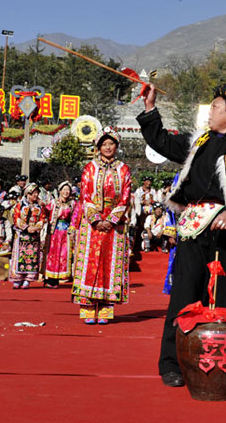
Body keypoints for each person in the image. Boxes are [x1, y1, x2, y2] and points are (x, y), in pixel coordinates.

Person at [137, 82, 226, 388]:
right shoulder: (200, 142)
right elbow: (163, 144)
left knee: (225, 297)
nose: (210, 112)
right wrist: (150, 108)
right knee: (184, 293)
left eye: (216, 107)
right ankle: (173, 363)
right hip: (194, 229)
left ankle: (223, 363)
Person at [72, 127, 132, 323]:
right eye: (104, 144)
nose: (108, 147)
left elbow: (125, 197)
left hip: (114, 225)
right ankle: (88, 308)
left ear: (116, 146)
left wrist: (111, 220)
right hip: (93, 224)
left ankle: (106, 308)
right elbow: (85, 196)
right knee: (90, 262)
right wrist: (97, 219)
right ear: (98, 147)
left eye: (111, 144)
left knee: (110, 264)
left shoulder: (123, 169)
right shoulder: (90, 167)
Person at [10, 183, 48, 289]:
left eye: (37, 193)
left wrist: (36, 227)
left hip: (34, 235)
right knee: (19, 256)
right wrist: (26, 227)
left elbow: (43, 218)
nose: (36, 195)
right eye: (34, 193)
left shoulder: (40, 206)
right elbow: (16, 217)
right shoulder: (20, 205)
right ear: (28, 194)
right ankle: (17, 279)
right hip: (22, 233)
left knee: (32, 257)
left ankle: (28, 279)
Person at [44, 181, 79, 286]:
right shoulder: (53, 203)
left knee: (63, 255)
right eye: (64, 190)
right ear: (59, 191)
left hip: (65, 233)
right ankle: (51, 278)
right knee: (52, 254)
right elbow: (45, 212)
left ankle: (59, 277)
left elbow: (75, 217)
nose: (66, 192)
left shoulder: (73, 204)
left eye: (67, 190)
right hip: (54, 232)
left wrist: (72, 229)